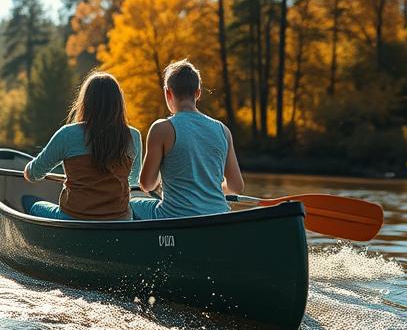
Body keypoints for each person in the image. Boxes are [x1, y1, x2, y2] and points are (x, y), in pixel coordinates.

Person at [20, 71, 143, 220]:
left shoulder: (68, 134)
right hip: (119, 220)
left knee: (34, 205)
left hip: (74, 219)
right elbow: (133, 180)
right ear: (118, 103)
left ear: (86, 102)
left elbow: (34, 174)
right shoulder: (133, 136)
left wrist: (27, 171)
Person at [130, 59, 244, 220]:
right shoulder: (223, 131)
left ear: (167, 92)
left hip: (174, 216)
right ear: (198, 93)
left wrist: (160, 185)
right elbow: (236, 186)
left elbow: (147, 184)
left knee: (131, 203)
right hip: (218, 216)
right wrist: (208, 188)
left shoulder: (161, 129)